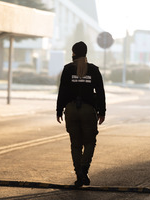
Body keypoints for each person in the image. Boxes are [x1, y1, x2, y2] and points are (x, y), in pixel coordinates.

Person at [56, 41, 106, 187]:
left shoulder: (67, 69)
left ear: (73, 53)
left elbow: (62, 92)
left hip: (71, 110)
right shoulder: (94, 70)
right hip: (88, 110)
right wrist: (102, 112)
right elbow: (101, 92)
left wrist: (59, 110)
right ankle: (84, 169)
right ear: (86, 53)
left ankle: (79, 175)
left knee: (75, 144)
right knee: (90, 142)